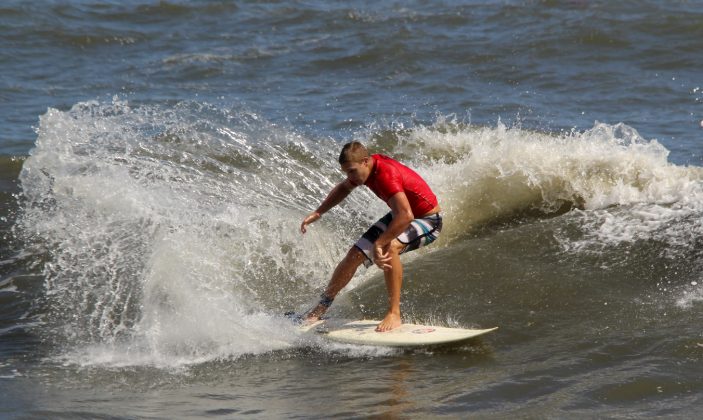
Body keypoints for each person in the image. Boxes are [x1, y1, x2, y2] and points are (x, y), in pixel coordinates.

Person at [300, 141, 442, 332]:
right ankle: (322, 306)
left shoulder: (386, 175)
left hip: (428, 221)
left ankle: (394, 313)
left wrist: (380, 242)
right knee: (353, 256)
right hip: (400, 214)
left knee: (389, 247)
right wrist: (319, 212)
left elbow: (406, 216)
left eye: (351, 171)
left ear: (365, 161)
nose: (350, 177)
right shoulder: (364, 169)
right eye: (346, 172)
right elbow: (343, 188)